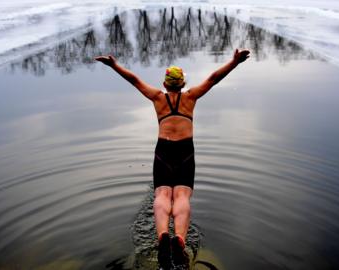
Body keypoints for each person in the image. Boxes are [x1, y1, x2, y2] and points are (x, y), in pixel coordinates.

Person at [95, 48, 250, 268]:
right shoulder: (191, 96)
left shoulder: (158, 97)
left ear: (166, 84)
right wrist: (235, 62)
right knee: (182, 196)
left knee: (162, 194)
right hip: (186, 152)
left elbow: (134, 80)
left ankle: (162, 236)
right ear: (182, 82)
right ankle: (179, 238)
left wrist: (114, 65)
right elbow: (214, 78)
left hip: (164, 151)